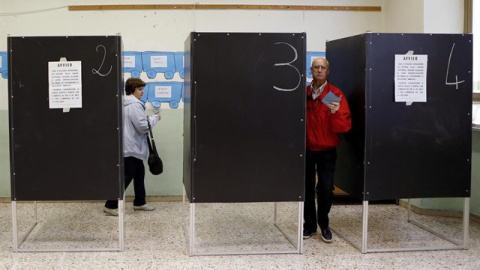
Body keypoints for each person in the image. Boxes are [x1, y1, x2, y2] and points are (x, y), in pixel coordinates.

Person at [304, 58, 351, 242]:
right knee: (306, 189)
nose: (319, 70)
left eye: (323, 67)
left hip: (327, 150)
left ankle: (324, 224)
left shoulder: (333, 94)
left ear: (328, 71)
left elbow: (344, 127)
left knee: (325, 188)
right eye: (316, 67)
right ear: (311, 70)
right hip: (307, 149)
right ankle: (309, 226)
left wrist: (335, 113)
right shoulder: (305, 93)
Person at [104, 77, 161, 216]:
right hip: (132, 147)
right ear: (132, 90)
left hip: (130, 145)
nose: (142, 92)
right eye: (139, 89)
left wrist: (146, 118)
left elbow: (134, 122)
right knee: (128, 175)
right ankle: (110, 204)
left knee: (139, 174)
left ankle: (140, 202)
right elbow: (142, 127)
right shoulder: (134, 104)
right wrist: (155, 118)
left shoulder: (125, 103)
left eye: (142, 89)